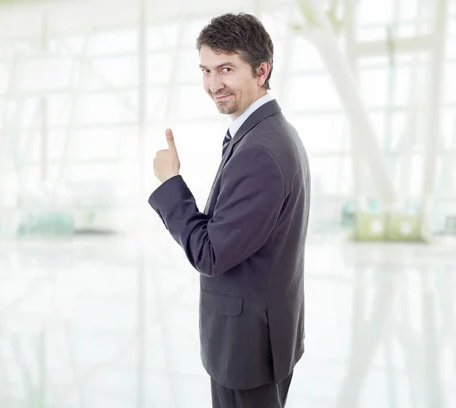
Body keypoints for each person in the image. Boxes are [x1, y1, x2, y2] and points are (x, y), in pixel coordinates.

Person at [149, 12, 311, 408]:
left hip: (248, 348)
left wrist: (171, 184)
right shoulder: (264, 134)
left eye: (226, 69)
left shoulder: (259, 149)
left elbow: (212, 253)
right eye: (205, 70)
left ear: (261, 70)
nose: (213, 84)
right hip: (262, 337)